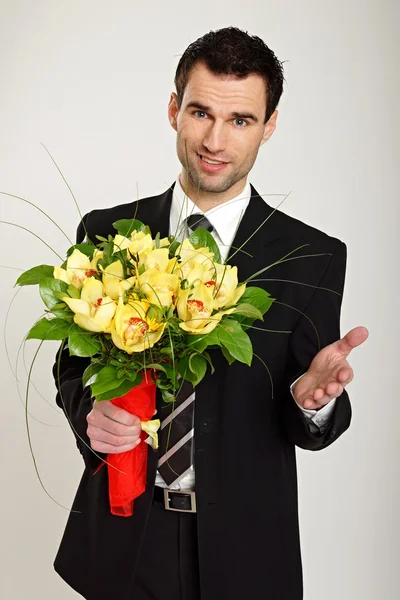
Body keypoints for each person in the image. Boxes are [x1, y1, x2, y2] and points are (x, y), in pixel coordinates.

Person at [53, 26, 368, 600]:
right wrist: (89, 414)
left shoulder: (314, 257)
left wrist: (313, 402)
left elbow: (310, 415)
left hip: (245, 552)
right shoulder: (104, 232)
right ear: (174, 110)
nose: (215, 140)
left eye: (241, 120)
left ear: (269, 126)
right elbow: (70, 367)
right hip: (124, 541)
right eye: (200, 112)